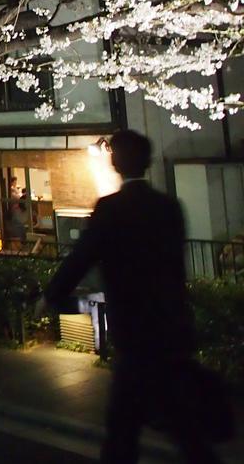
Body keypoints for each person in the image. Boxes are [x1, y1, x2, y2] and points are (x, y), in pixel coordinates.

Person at [42, 130, 221, 464]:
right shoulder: (168, 207)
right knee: (182, 426)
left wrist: (52, 295)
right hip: (172, 327)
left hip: (135, 331)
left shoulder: (110, 209)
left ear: (115, 164)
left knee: (124, 428)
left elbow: (82, 256)